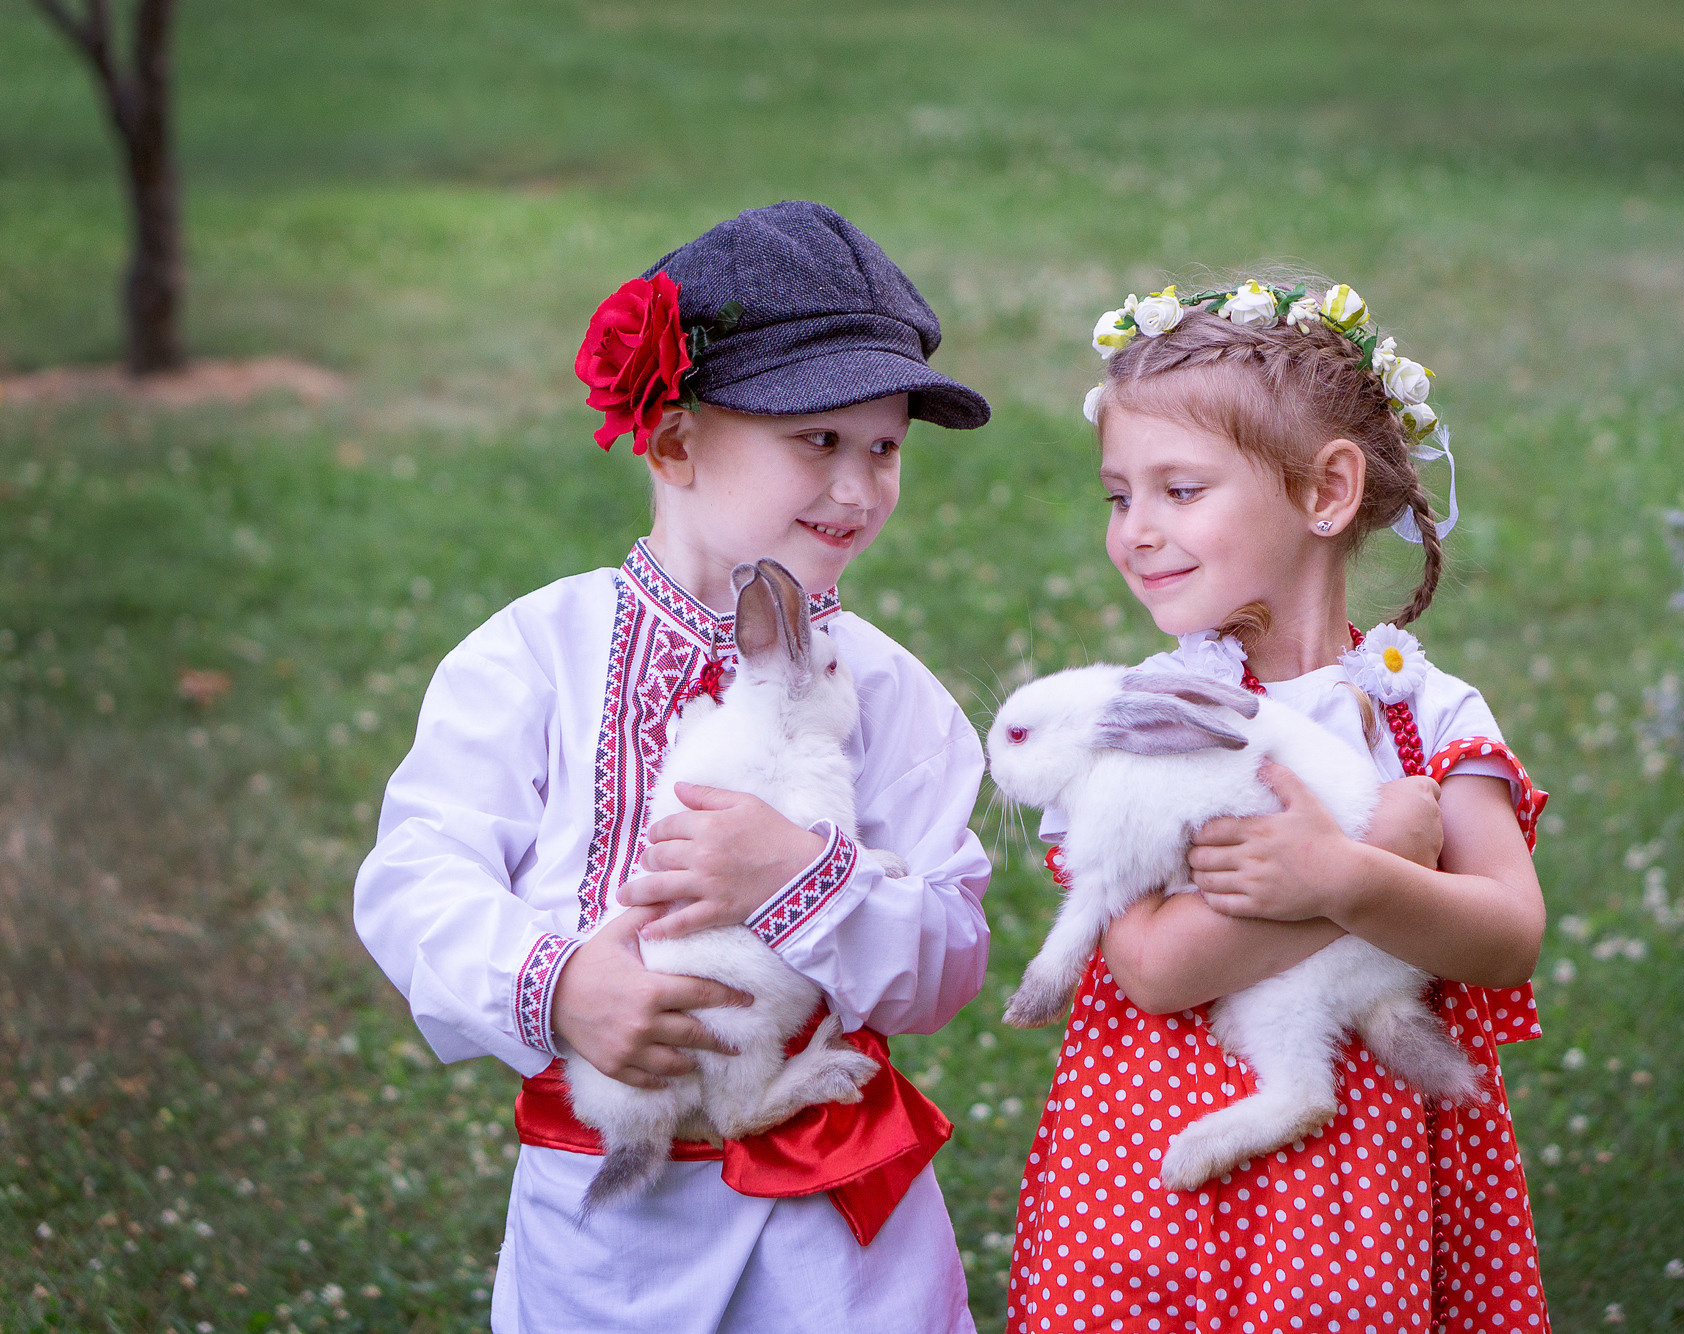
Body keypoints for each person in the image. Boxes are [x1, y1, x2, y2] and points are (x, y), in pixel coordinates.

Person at [353, 201, 995, 1334]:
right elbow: (417, 877)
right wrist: (560, 983)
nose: (857, 489)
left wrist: (807, 876)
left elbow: (946, 958)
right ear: (672, 441)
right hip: (607, 1238)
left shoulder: (889, 695)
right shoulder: (534, 656)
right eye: (816, 440)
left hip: (837, 1246)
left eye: (883, 446)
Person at [1007, 279, 1552, 1333]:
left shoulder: (1426, 712)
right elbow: (1154, 966)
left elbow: (1507, 934)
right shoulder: (1140, 718)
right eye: (1119, 495)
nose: (1135, 531)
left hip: (1363, 1187)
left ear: (1325, 490)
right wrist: (1351, 873)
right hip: (1145, 1181)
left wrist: (1348, 874)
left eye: (1179, 489)